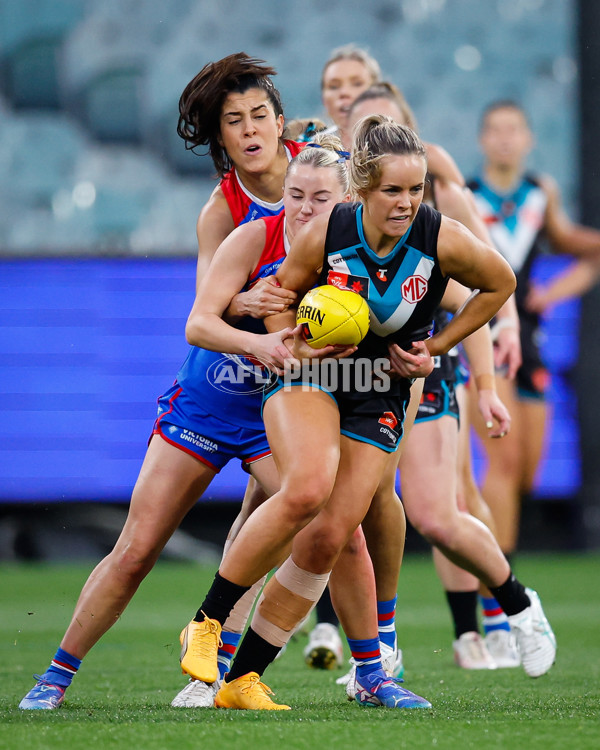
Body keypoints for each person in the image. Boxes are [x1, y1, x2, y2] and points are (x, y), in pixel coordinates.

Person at [178, 116, 553, 711]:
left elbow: (499, 283)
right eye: (392, 191)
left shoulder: (441, 237)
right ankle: (208, 623)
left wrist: (437, 345)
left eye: (416, 189)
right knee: (304, 492)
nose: (405, 203)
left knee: (330, 536)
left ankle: (242, 679)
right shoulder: (329, 231)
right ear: (362, 190)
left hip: (381, 391)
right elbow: (280, 297)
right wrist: (298, 344)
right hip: (316, 379)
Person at [17, 51, 305, 712]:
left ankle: (361, 668)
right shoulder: (221, 211)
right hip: (211, 396)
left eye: (260, 114)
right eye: (235, 120)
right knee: (137, 550)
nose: (251, 128)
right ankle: (56, 676)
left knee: (325, 521)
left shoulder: (321, 177)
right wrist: (249, 319)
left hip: (281, 401)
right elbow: (205, 313)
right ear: (220, 137)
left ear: (282, 121)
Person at [468, 100, 600, 557]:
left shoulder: (541, 194)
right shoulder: (461, 196)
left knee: (526, 469)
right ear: (483, 139)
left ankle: (496, 568)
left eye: (514, 129)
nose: (505, 138)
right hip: (486, 334)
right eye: (496, 129)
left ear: (528, 139)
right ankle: (499, 585)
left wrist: (551, 294)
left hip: (531, 338)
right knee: (502, 461)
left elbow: (580, 249)